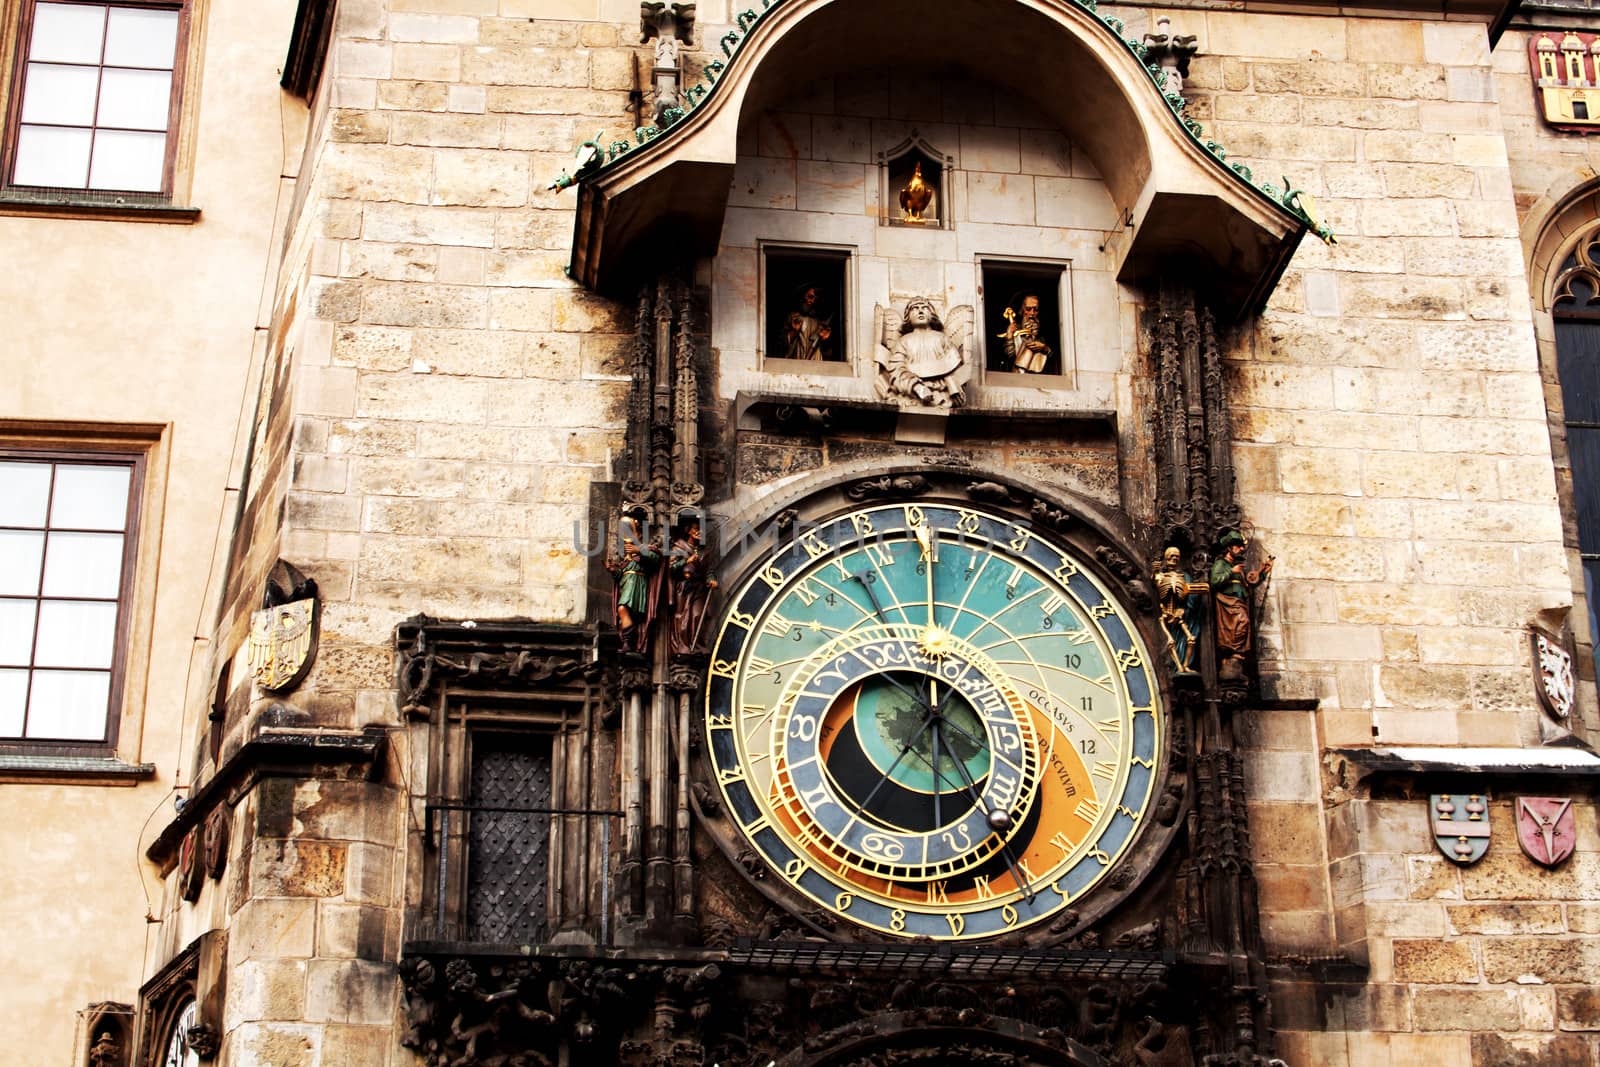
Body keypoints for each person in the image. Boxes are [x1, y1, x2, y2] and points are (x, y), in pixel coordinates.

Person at [878, 297, 967, 406]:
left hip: (941, 394)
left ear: (932, 314)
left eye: (924, 308)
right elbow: (896, 369)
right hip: (912, 394)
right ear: (908, 317)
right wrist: (916, 387)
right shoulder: (904, 341)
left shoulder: (942, 338)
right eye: (915, 308)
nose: (920, 311)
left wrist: (955, 390)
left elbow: (953, 366)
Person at [1209, 530, 1272, 678]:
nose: (1241, 549)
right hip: (1227, 603)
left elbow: (1248, 584)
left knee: (1242, 623)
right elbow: (1214, 581)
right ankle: (1232, 653)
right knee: (1242, 622)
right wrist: (1231, 571)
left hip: (1239, 601)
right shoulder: (1221, 563)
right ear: (1229, 547)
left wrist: (1263, 573)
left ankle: (1236, 654)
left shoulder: (1236, 566)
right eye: (1238, 546)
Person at [606, 514, 661, 654]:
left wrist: (639, 550)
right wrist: (613, 570)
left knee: (622, 608)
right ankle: (627, 642)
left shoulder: (645, 548)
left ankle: (629, 640)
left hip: (637, 585)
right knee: (623, 610)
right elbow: (621, 575)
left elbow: (655, 559)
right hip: (627, 585)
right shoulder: (626, 557)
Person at [669, 517, 718, 657]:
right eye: (696, 529)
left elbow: (709, 570)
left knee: (697, 615)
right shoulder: (678, 547)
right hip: (683, 588)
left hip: (698, 588)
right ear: (688, 531)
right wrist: (686, 561)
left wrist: (711, 579)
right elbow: (671, 568)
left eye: (701, 529)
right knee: (682, 616)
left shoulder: (704, 552)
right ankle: (683, 645)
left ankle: (695, 644)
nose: (699, 532)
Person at [1154, 546, 1201, 675]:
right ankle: (1178, 667)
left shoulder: (1184, 577)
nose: (1174, 559)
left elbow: (1190, 597)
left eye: (1176, 557)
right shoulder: (1161, 576)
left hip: (1180, 613)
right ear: (1166, 557)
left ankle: (1185, 666)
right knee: (1171, 641)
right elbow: (1156, 581)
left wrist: (1185, 608)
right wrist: (1156, 571)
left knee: (1191, 639)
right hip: (1166, 614)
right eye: (1171, 556)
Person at [1001, 292, 1052, 373]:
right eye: (1028, 309)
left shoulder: (1043, 335)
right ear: (1022, 310)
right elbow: (1009, 356)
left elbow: (1053, 358)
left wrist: (1045, 348)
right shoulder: (1015, 331)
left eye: (1036, 309)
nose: (1032, 313)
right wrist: (1010, 336)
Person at [783, 284, 833, 360]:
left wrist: (825, 340)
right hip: (797, 360)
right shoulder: (793, 317)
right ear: (802, 296)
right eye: (810, 297)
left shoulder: (819, 322)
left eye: (816, 299)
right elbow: (782, 345)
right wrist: (795, 331)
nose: (812, 301)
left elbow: (827, 352)